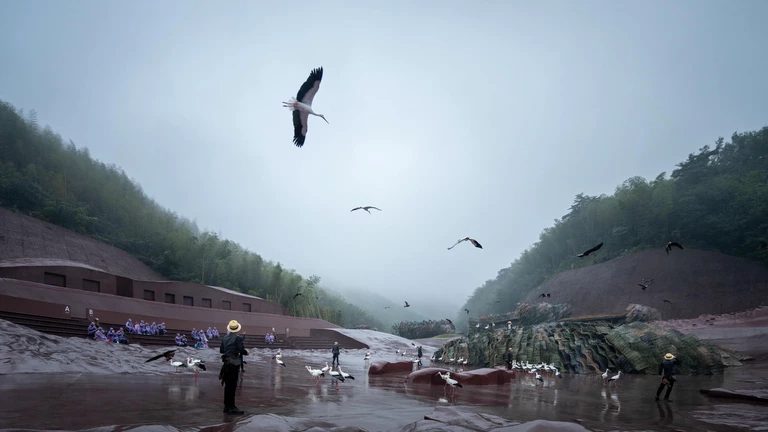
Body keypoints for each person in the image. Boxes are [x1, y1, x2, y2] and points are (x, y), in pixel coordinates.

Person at [219, 320, 248, 415]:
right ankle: (232, 407)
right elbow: (241, 350)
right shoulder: (238, 338)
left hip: (226, 363)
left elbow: (221, 350)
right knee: (232, 385)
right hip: (234, 364)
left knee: (227, 385)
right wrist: (246, 352)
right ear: (237, 329)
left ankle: (226, 406)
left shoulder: (225, 338)